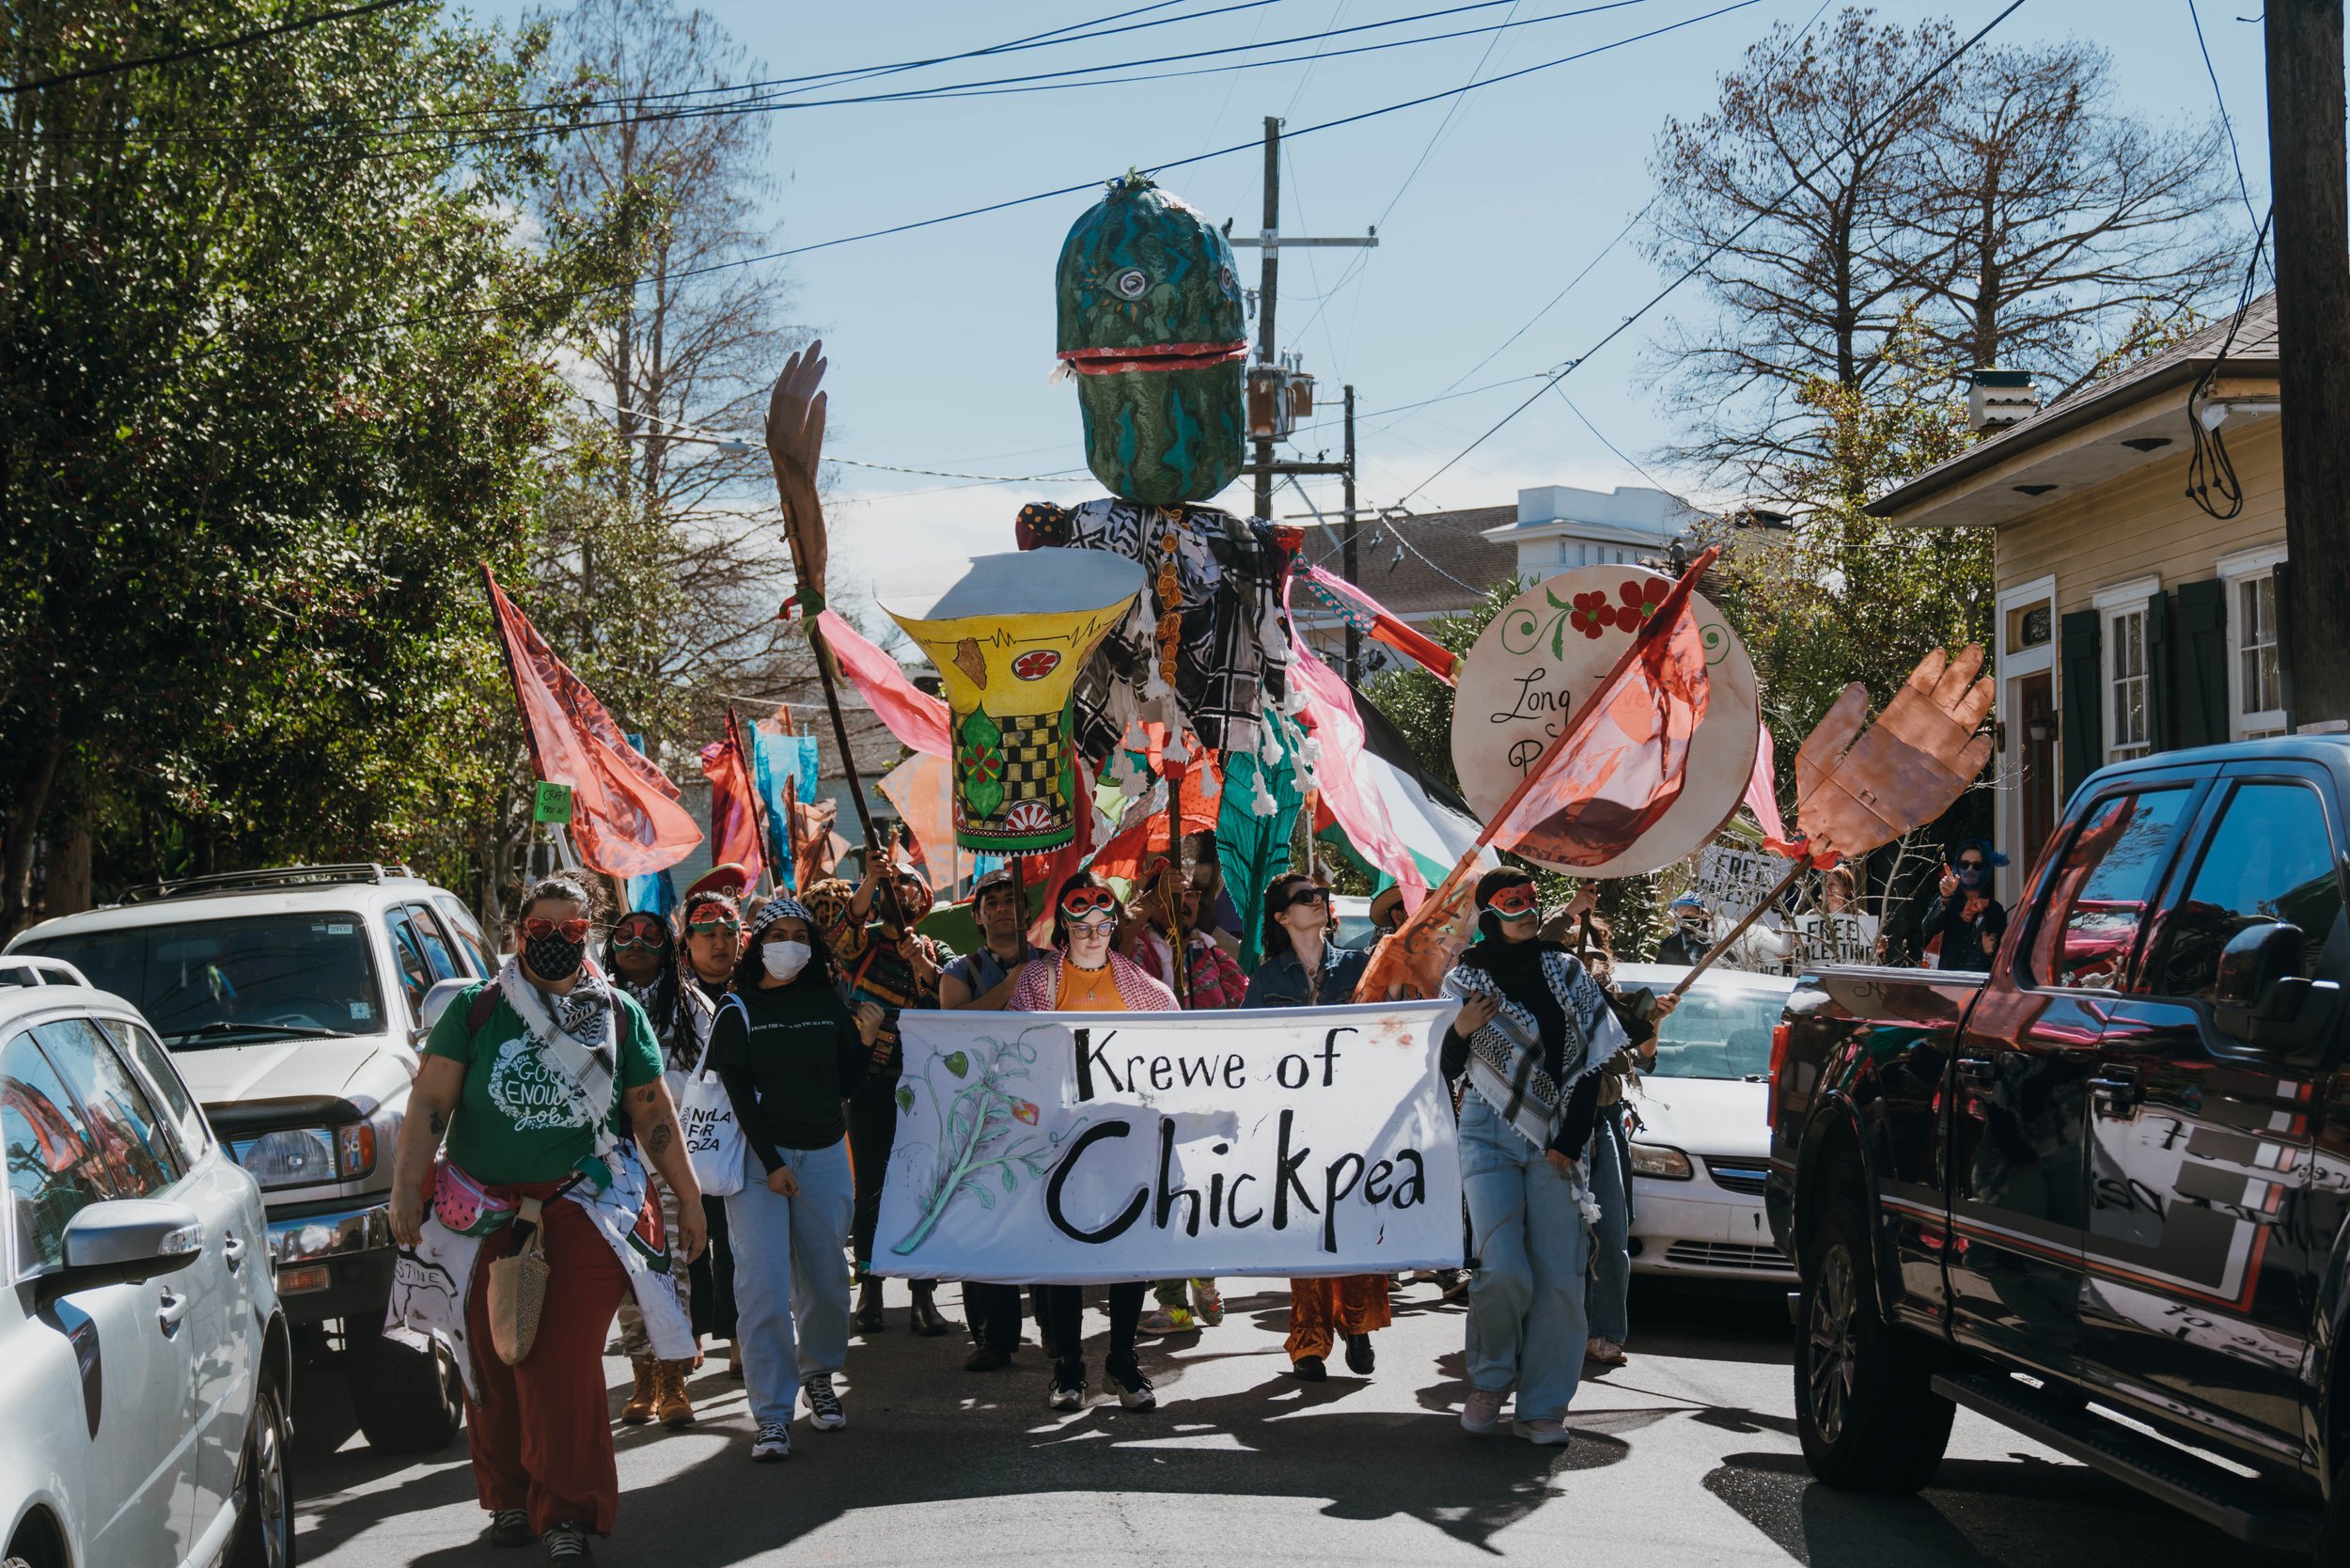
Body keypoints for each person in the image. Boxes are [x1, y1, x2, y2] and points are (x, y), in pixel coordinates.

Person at [387, 874, 707, 1562]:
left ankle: (568, 1512)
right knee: (495, 1355)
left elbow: (652, 1110)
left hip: (584, 1204)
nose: (558, 942)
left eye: (571, 931)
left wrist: (689, 1194)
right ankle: (508, 1496)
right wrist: (404, 1187)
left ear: (588, 934)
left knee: (557, 1360)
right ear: (517, 935)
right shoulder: (474, 1011)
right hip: (480, 1211)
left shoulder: (619, 1014)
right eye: (543, 931)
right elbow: (430, 1104)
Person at [1439, 868, 1628, 1448]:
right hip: (1487, 1133)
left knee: (1560, 1281)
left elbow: (1593, 1062)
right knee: (1502, 1270)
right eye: (1510, 901)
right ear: (1489, 911)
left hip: (1559, 1145)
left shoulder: (1569, 971)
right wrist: (1462, 1033)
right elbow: (1441, 1070)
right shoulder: (1463, 980)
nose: (1523, 909)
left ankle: (1544, 1405)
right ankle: (1491, 1381)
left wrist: (1568, 1142)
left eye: (1530, 900)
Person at [707, 898, 885, 1462]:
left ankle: (820, 1377)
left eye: (799, 934)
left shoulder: (824, 1000)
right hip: (763, 1163)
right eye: (777, 933)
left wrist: (865, 1039)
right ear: (757, 943)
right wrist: (773, 1162)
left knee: (828, 1279)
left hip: (827, 1153)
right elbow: (738, 1098)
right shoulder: (736, 1008)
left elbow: (847, 1083)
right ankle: (772, 1415)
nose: (789, 943)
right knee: (760, 1288)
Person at [1006, 872, 1178, 1410]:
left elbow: (1173, 1058)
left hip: (1124, 1142)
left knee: (1128, 1251)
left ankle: (1123, 1363)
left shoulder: (1147, 990)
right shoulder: (1038, 983)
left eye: (1104, 923)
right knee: (1061, 1255)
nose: (1092, 933)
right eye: (1081, 923)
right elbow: (1018, 1052)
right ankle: (1068, 1368)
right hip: (1058, 1141)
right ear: (1064, 925)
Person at [1242, 873, 1390, 1381]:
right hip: (1293, 1122)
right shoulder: (1266, 979)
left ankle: (1357, 1323)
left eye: (1321, 895)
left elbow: (1388, 1028)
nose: (1319, 902)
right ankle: (1308, 1341)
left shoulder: (1361, 965)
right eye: (1305, 898)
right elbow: (1248, 1050)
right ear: (1282, 917)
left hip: (1354, 1116)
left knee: (1353, 1221)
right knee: (1302, 1226)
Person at [805, 849, 956, 1335]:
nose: (901, 888)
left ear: (924, 899)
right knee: (870, 1187)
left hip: (923, 1087)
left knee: (923, 1187)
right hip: (869, 1083)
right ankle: (870, 1289)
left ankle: (922, 1294)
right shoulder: (859, 944)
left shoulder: (936, 950)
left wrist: (925, 969)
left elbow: (958, 995)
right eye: (895, 882)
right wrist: (870, 881)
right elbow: (836, 939)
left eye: (909, 883)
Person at [937, 865, 1054, 1372]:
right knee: (985, 1218)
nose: (1003, 908)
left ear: (1026, 911)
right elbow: (956, 1030)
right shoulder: (959, 972)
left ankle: (1056, 1326)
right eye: (993, 902)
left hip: (1045, 1109)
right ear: (979, 917)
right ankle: (992, 1335)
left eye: (1011, 900)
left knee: (1046, 1218)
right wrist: (1011, 985)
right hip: (983, 1112)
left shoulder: (1054, 964)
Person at [1125, 853, 1243, 1335]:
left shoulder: (1210, 950)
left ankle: (1206, 1275)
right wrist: (1150, 902)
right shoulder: (1131, 952)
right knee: (1164, 1191)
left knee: (1205, 1187)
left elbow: (1246, 1001)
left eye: (1192, 892)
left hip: (1208, 1087)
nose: (1186, 900)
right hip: (1151, 1092)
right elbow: (1116, 939)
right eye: (1175, 890)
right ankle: (1172, 1301)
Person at [603, 909, 709, 1430]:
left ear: (669, 947)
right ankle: (642, 1374)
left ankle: (674, 1377)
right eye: (625, 936)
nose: (637, 944)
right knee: (626, 1274)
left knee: (670, 1272)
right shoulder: (588, 1005)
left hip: (668, 1161)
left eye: (649, 936)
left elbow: (708, 1084)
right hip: (608, 1166)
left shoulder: (692, 1006)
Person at [1571, 913, 1674, 1370]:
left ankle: (1606, 1332)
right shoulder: (1545, 994)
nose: (1588, 959)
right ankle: (1548, 1328)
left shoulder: (1620, 1005)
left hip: (1603, 1121)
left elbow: (1642, 1062)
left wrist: (1654, 1022)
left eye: (1595, 951)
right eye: (1579, 950)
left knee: (1610, 1231)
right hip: (1550, 1125)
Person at [678, 884, 745, 1373]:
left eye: (729, 932)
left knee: (737, 1239)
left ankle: (740, 1334)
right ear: (688, 942)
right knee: (691, 1235)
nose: (719, 943)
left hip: (744, 1133)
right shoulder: (670, 998)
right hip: (685, 1133)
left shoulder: (755, 989)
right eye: (707, 934)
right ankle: (693, 1330)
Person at [1923, 840, 2009, 973]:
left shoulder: (1994, 909)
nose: (1970, 869)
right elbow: (1927, 929)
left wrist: (1990, 953)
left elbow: (2004, 960)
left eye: (1977, 866)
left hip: (1983, 987)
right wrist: (1945, 897)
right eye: (1965, 864)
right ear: (1958, 868)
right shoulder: (1948, 899)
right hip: (1950, 985)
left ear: (1984, 870)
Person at [1655, 891, 1712, 965]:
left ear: (1703, 916)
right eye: (1680, 913)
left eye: (1690, 913)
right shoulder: (1669, 944)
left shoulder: (1715, 943)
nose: (1684, 919)